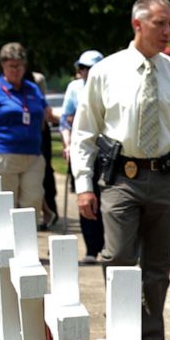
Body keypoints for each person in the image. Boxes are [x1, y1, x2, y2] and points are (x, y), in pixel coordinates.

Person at [70, 0, 170, 340]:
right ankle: (121, 338)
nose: (167, 32)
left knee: (157, 269)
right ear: (137, 24)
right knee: (117, 259)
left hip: (166, 180)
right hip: (121, 179)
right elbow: (83, 132)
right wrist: (84, 185)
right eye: (159, 24)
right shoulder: (105, 72)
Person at [0, 42, 51, 226]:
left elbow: (46, 113)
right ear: (3, 66)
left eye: (20, 66)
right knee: (6, 204)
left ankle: (28, 246)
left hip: (33, 154)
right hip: (5, 153)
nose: (16, 70)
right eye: (11, 66)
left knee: (32, 201)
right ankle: (9, 248)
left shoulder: (32, 88)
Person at [60, 50, 104, 264]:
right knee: (86, 197)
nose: (87, 72)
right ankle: (91, 247)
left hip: (107, 153)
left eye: (92, 68)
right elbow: (65, 119)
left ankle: (108, 245)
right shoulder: (75, 88)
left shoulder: (111, 86)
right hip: (83, 150)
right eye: (84, 68)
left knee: (108, 200)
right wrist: (68, 144)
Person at [32, 72, 59, 230]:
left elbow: (44, 111)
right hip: (27, 134)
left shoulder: (37, 79)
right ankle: (46, 211)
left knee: (45, 172)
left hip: (39, 134)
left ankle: (50, 209)